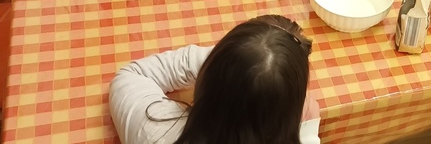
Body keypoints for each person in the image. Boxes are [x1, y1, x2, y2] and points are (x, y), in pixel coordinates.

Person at [109, 14, 320, 144]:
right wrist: (307, 132)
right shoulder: (304, 125)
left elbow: (132, 75)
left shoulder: (156, 132)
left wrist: (231, 64)